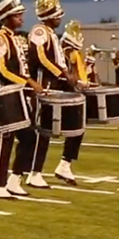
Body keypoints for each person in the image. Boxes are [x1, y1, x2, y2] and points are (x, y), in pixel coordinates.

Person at [15, 0, 79, 189]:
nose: (60, 18)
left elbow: (57, 61)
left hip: (56, 85)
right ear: (50, 16)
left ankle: (65, 163)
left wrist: (73, 77)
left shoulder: (51, 34)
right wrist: (63, 74)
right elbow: (41, 57)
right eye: (57, 14)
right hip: (44, 86)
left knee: (77, 124)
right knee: (43, 131)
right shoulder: (40, 31)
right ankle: (34, 173)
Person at [0, 0, 44, 199]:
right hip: (3, 93)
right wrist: (28, 82)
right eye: (17, 15)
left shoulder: (16, 39)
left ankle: (14, 179)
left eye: (20, 15)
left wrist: (26, 84)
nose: (21, 18)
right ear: (6, 17)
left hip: (17, 94)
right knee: (5, 138)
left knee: (29, 136)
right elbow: (2, 70)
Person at [54, 21, 87, 184]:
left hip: (63, 94)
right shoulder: (60, 55)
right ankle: (27, 172)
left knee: (77, 128)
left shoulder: (69, 57)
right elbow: (62, 76)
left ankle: (64, 164)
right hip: (54, 94)